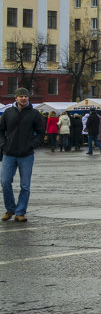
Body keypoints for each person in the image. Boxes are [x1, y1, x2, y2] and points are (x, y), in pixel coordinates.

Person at [1, 89, 44, 222]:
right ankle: (10, 209)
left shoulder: (34, 113)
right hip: (9, 153)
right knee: (5, 182)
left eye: (26, 96)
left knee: (25, 185)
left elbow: (41, 132)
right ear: (16, 98)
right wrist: (3, 145)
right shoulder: (8, 112)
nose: (24, 98)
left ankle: (20, 212)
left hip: (26, 154)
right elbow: (0, 131)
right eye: (21, 96)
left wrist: (31, 145)